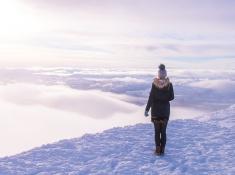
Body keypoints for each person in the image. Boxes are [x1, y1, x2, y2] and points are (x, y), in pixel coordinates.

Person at [145, 64, 174, 155]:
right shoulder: (169, 85)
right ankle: (163, 149)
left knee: (157, 131)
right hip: (165, 111)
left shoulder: (154, 84)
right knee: (163, 131)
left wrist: (147, 109)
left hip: (155, 111)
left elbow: (151, 98)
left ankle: (157, 149)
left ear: (158, 74)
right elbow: (172, 97)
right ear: (165, 74)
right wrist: (164, 98)